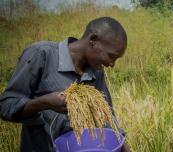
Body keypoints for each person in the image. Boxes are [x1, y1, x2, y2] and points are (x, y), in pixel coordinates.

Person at [0, 17, 131, 152]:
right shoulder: (42, 54)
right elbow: (6, 106)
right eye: (111, 56)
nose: (112, 64)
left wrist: (123, 146)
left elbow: (106, 115)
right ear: (93, 41)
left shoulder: (97, 71)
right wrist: (45, 102)